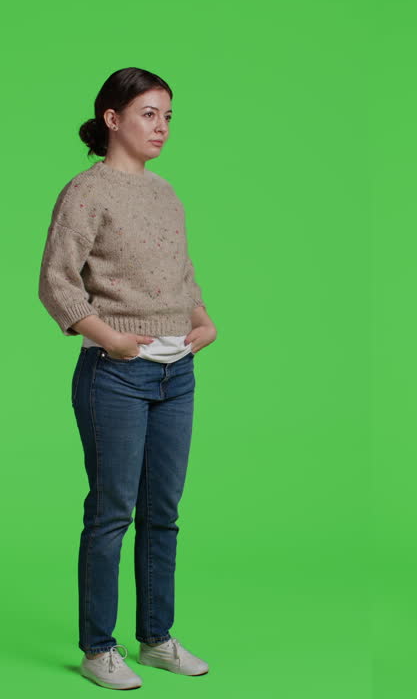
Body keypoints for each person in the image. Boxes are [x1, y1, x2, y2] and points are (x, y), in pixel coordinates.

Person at [39, 67, 216, 690]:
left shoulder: (167, 192)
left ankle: (157, 637)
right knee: (113, 511)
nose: (162, 126)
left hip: (178, 373)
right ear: (112, 119)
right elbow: (56, 280)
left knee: (163, 512)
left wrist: (202, 318)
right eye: (148, 113)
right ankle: (97, 648)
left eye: (168, 115)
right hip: (116, 375)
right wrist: (109, 337)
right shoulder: (86, 191)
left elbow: (181, 272)